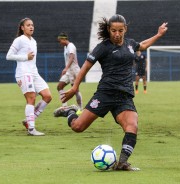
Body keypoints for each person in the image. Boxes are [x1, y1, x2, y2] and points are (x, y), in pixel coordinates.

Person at [53, 14, 168, 171]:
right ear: (109, 29)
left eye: (120, 30)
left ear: (125, 29)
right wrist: (75, 88)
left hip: (124, 96)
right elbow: (85, 67)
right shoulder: (103, 47)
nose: (117, 34)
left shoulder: (130, 44)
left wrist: (159, 34)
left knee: (132, 126)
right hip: (105, 94)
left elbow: (143, 45)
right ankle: (70, 112)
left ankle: (122, 163)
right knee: (78, 127)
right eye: (113, 30)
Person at [6, 17, 52, 136]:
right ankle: (31, 129)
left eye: (32, 25)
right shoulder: (19, 40)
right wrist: (25, 57)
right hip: (23, 72)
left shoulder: (33, 41)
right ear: (22, 28)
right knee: (31, 98)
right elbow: (9, 56)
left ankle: (28, 121)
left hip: (34, 73)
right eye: (28, 25)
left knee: (47, 96)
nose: (31, 27)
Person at [56, 32, 83, 111]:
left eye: (60, 40)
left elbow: (71, 58)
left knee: (75, 90)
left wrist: (65, 68)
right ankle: (64, 107)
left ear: (63, 39)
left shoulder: (71, 46)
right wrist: (66, 69)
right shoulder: (66, 47)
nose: (59, 43)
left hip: (74, 71)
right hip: (69, 71)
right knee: (59, 86)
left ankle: (80, 108)